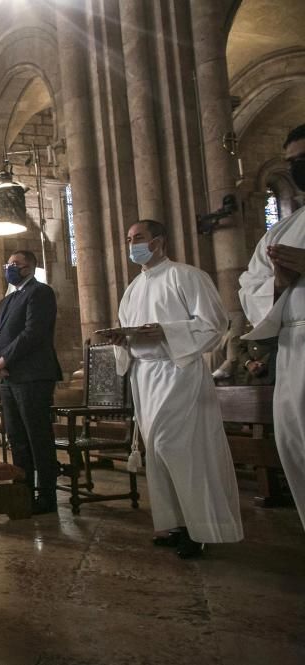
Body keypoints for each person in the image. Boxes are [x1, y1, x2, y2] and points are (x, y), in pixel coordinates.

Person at [109, 220, 243, 557]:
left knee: (178, 448)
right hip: (145, 376)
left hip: (178, 370)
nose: (132, 244)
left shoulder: (187, 276)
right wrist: (119, 340)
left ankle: (200, 529)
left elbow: (214, 323)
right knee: (156, 452)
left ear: (158, 241)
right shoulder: (133, 288)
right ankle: (174, 524)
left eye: (138, 238)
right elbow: (129, 330)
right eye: (128, 239)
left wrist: (166, 332)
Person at [239, 123, 305, 531]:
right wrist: (279, 282)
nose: (299, 168)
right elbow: (249, 286)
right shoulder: (281, 229)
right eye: (294, 162)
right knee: (297, 450)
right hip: (294, 353)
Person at [0, 250, 62, 515]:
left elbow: (33, 333)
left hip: (33, 376)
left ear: (30, 267)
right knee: (16, 437)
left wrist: (5, 360)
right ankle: (24, 492)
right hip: (8, 378)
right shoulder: (7, 300)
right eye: (8, 263)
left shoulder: (41, 293)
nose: (10, 267)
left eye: (16, 264)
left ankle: (47, 497)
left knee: (37, 436)